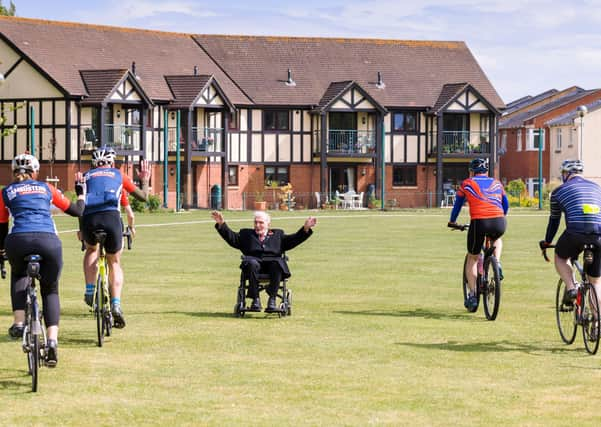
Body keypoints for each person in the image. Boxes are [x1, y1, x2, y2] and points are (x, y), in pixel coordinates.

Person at [0, 153, 86, 367]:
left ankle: (19, 322)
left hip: (18, 240)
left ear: (13, 172)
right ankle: (52, 341)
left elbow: (1, 227)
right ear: (35, 172)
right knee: (50, 289)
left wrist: (2, 253)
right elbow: (76, 211)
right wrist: (81, 195)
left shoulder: (6, 192)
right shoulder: (47, 188)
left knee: (18, 273)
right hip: (49, 242)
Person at [78, 146, 150, 328]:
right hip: (111, 218)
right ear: (111, 162)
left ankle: (89, 289)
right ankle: (116, 304)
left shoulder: (85, 176)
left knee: (91, 249)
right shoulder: (118, 175)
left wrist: (81, 230)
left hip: (89, 219)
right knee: (114, 262)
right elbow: (143, 198)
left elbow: (80, 206)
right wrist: (145, 180)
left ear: (94, 163)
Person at [212, 210, 317, 311]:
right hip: (253, 266)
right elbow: (232, 238)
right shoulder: (246, 234)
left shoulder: (278, 235)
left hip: (273, 267)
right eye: (256, 222)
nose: (257, 225)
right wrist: (222, 224)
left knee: (277, 263)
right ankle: (255, 300)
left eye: (261, 223)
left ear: (268, 224)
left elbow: (294, 239)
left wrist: (306, 228)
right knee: (252, 263)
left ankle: (272, 300)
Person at [448, 158, 509, 312]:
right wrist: (501, 215)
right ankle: (497, 263)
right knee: (497, 238)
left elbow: (457, 205)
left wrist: (452, 221)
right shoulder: (497, 183)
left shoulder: (467, 183)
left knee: (473, 257)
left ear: (471, 171)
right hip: (499, 221)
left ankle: (473, 295)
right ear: (487, 171)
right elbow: (505, 204)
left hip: (479, 222)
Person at [541, 159, 601, 307]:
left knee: (561, 257)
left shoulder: (558, 192)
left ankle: (571, 288)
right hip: (598, 234)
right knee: (596, 282)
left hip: (575, 232)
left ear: (566, 174)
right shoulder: (597, 188)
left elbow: (554, 221)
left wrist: (547, 241)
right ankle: (596, 325)